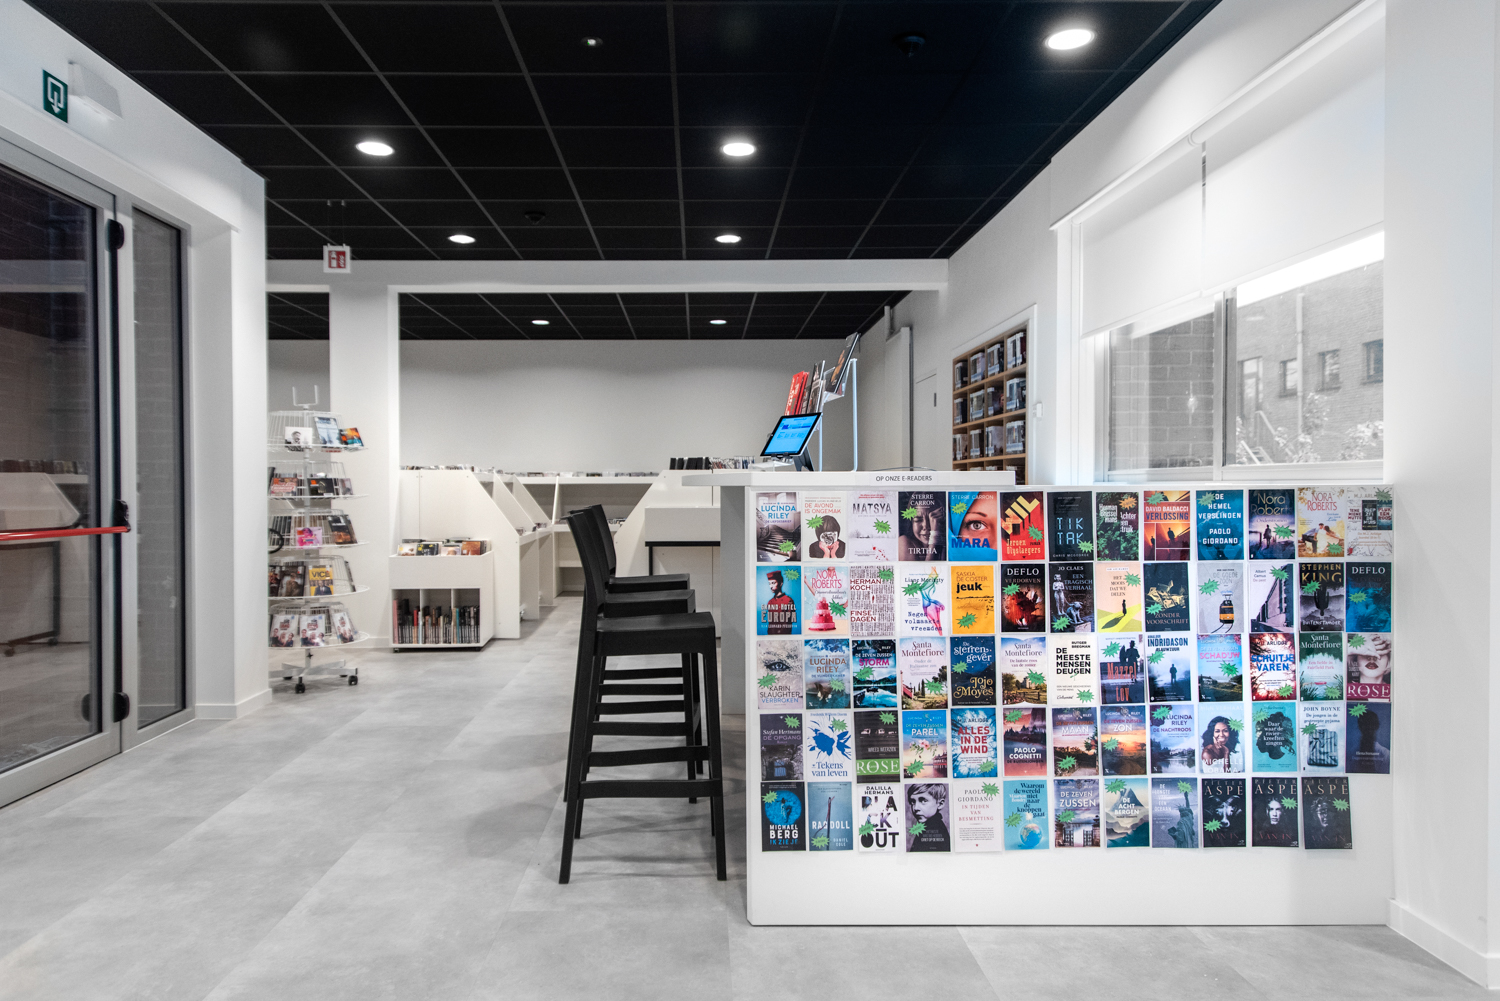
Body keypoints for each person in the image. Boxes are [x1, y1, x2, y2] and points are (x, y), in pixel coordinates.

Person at [906, 783, 950, 852]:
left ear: (940, 804)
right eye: (913, 802)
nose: (915, 808)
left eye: (923, 801)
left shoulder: (935, 828)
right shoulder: (926, 826)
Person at [898, 495, 944, 561]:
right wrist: (934, 535)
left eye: (932, 519)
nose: (926, 526)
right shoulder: (903, 542)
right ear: (911, 522)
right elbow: (928, 568)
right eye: (918, 520)